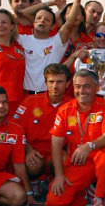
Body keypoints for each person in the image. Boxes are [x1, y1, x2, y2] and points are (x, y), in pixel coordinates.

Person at [46, 70, 105, 206]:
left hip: (98, 158)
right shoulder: (64, 110)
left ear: (96, 88)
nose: (81, 91)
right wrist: (59, 175)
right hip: (78, 162)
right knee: (53, 202)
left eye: (86, 86)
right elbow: (56, 143)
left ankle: (100, 197)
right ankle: (83, 194)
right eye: (77, 86)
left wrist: (89, 146)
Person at [11, 64, 71, 193]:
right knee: (33, 165)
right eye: (51, 82)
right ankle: (34, 184)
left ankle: (53, 182)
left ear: (67, 84)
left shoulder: (72, 105)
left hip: (57, 153)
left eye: (59, 82)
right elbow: (14, 130)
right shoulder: (30, 101)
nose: (55, 86)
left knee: (66, 160)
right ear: (45, 83)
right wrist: (27, 149)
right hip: (35, 152)